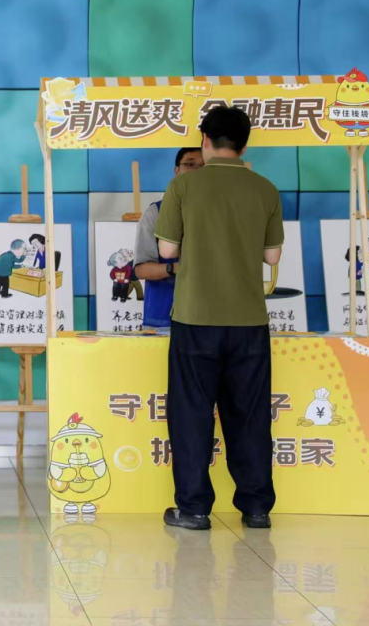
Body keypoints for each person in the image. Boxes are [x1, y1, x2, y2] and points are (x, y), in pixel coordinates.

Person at [154, 107, 283, 532]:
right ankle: (256, 507)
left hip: (195, 317)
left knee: (191, 414)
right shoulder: (265, 188)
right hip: (249, 319)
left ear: (205, 140)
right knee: (249, 415)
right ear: (244, 145)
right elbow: (272, 256)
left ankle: (193, 509)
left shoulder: (183, 186)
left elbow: (167, 252)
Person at [134, 148, 205, 329]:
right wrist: (176, 268)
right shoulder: (155, 213)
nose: (197, 170)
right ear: (177, 170)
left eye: (204, 166)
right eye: (190, 164)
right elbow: (141, 270)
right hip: (163, 319)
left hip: (210, 317)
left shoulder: (222, 211)